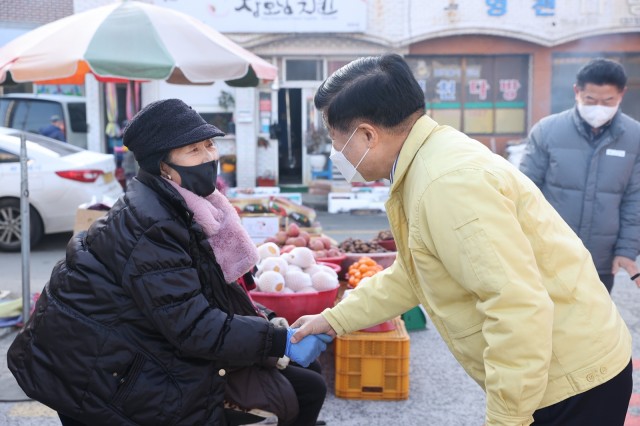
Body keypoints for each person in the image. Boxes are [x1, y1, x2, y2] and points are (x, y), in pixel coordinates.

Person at [290, 54, 633, 425]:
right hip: (561, 367)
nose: (335, 151)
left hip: (572, 381)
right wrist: (334, 320)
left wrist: (505, 419)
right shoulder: (429, 158)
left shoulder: (446, 183)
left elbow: (516, 306)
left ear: (368, 135)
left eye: (335, 138)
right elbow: (415, 271)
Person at [8, 98, 330, 426]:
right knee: (295, 391)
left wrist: (273, 325)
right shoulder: (152, 224)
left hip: (139, 343)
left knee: (308, 379)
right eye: (193, 150)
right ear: (163, 166)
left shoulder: (190, 209)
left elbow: (211, 294)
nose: (208, 157)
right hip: (97, 369)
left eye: (208, 145)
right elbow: (193, 326)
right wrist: (275, 339)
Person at [519, 58, 640, 293]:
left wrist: (626, 250)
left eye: (608, 101)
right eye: (590, 100)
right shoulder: (547, 131)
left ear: (622, 94)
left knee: (593, 324)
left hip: (601, 260)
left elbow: (635, 200)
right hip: (550, 253)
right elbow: (524, 192)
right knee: (547, 321)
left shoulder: (635, 137)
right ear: (577, 92)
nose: (599, 108)